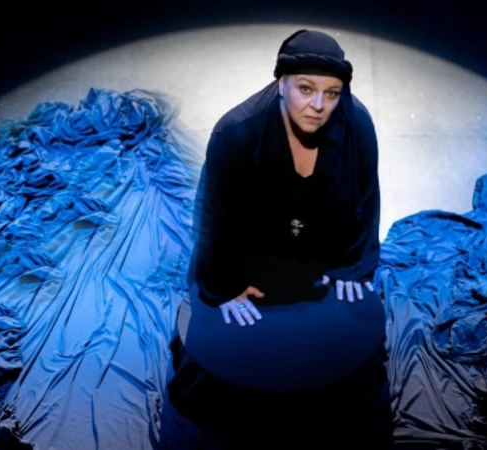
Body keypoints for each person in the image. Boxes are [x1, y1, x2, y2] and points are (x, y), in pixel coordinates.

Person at [159, 29, 393, 449]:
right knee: (231, 380)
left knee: (344, 377)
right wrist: (222, 284)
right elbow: (214, 216)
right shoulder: (236, 131)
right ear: (281, 82)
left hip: (319, 249)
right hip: (252, 253)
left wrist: (354, 264)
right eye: (306, 89)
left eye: (332, 93)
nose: (319, 105)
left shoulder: (356, 123)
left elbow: (366, 197)